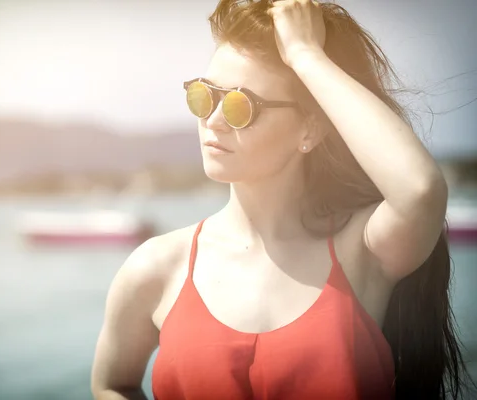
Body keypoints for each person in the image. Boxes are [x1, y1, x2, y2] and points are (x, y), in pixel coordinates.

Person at [91, 0, 472, 398]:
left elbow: (420, 189)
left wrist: (306, 56)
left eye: (241, 105)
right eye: (204, 96)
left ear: (310, 129)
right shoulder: (155, 268)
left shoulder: (362, 252)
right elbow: (111, 384)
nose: (213, 120)